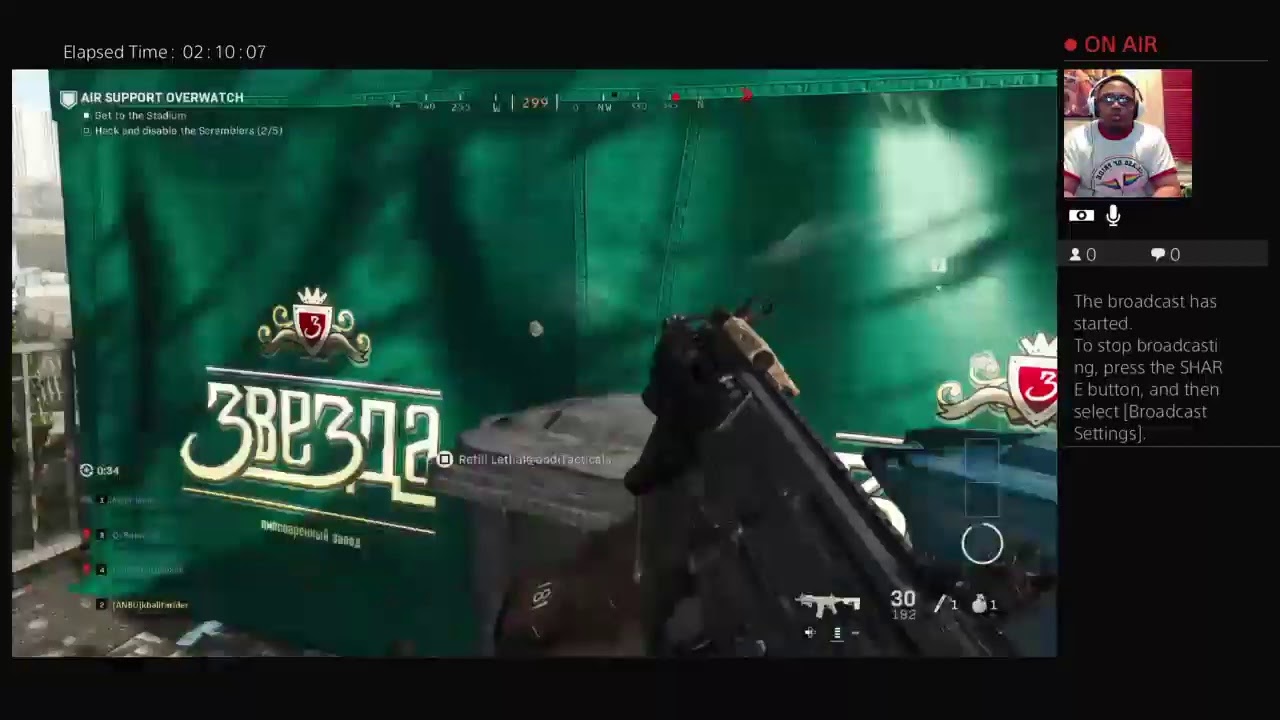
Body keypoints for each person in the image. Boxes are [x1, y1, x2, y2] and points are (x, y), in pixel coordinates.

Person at [1063, 75, 1182, 198]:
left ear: (1136, 108)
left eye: (1124, 99)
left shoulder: (1153, 137)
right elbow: (1065, 189)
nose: (1116, 105)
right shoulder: (1076, 139)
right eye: (1108, 98)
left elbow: (1170, 187)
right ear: (1095, 106)